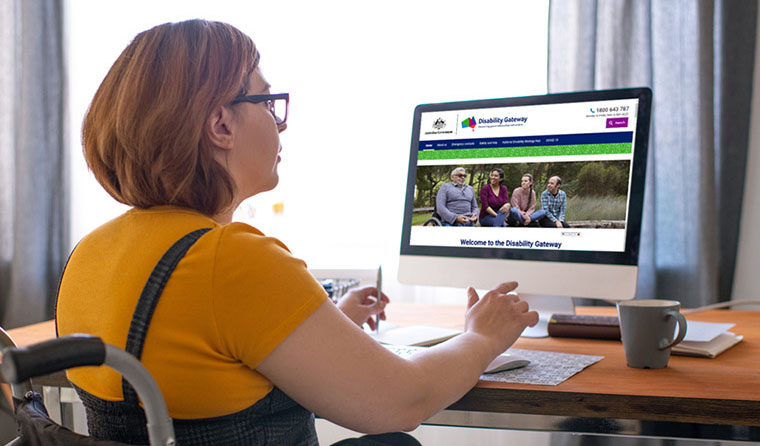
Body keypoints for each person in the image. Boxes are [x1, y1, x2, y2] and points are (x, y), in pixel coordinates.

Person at [55, 20, 538, 446]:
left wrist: (326, 323)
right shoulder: (231, 258)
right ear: (221, 124)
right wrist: (482, 337)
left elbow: (202, 357)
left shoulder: (88, 254)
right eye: (267, 102)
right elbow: (402, 401)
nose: (280, 124)